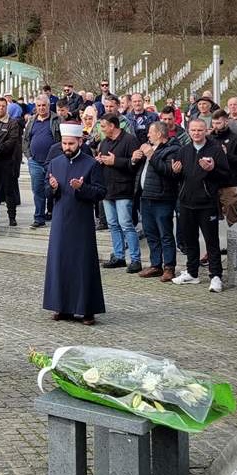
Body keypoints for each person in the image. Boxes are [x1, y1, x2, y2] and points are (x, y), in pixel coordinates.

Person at [43, 122, 106, 325]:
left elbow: (100, 192)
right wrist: (52, 188)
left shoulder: (91, 164)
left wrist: (82, 188)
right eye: (64, 143)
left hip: (82, 222)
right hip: (61, 220)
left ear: (80, 142)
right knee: (60, 263)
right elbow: (46, 192)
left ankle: (87, 310)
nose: (67, 147)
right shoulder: (55, 163)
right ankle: (62, 307)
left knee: (83, 264)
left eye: (71, 143)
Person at [169, 118, 231, 293]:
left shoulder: (216, 150)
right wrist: (174, 172)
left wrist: (212, 170)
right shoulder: (183, 150)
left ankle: (216, 275)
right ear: (188, 131)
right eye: (193, 130)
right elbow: (176, 177)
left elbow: (225, 175)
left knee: (211, 241)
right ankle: (192, 272)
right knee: (190, 240)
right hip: (186, 203)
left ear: (206, 131)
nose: (196, 133)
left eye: (200, 130)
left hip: (207, 203)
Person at [96, 113, 140, 272]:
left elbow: (135, 164)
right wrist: (100, 161)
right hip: (108, 189)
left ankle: (135, 259)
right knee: (113, 225)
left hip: (123, 189)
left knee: (126, 224)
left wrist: (116, 161)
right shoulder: (104, 142)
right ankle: (119, 256)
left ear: (112, 126)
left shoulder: (130, 140)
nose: (101, 129)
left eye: (103, 126)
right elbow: (103, 161)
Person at [135, 122, 179, 281]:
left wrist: (151, 156)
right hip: (145, 197)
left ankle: (169, 267)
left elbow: (168, 171)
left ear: (160, 134)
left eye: (150, 132)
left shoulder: (173, 149)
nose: (148, 135)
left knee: (165, 234)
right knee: (150, 233)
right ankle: (155, 265)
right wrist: (135, 159)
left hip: (162, 198)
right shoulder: (149, 148)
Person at [210, 110, 237, 271]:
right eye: (213, 123)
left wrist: (227, 156)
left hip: (230, 184)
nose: (215, 126)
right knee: (212, 220)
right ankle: (213, 251)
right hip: (213, 185)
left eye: (218, 123)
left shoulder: (236, 139)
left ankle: (236, 254)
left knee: (233, 221)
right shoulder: (210, 138)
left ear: (226, 122)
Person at [23, 94, 60, 229]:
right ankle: (39, 217)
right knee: (37, 190)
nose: (41, 108)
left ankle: (56, 216)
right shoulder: (32, 120)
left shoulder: (57, 119)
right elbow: (26, 139)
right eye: (39, 106)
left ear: (48, 106)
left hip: (53, 162)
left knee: (54, 190)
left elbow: (61, 139)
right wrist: (29, 155)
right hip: (35, 161)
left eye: (44, 105)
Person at [0, 97, 23, 228]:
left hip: (7, 161)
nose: (1, 108)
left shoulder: (12, 123)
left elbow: (13, 140)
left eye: (3, 106)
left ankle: (12, 217)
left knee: (9, 191)